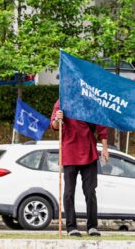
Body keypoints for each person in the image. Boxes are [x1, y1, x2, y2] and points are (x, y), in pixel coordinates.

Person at [51, 99, 109, 237]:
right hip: (69, 153)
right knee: (69, 192)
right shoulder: (62, 101)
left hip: (89, 152)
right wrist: (58, 120)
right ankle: (71, 227)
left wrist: (105, 149)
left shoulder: (90, 100)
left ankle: (92, 227)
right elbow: (54, 125)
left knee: (90, 192)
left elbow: (101, 127)